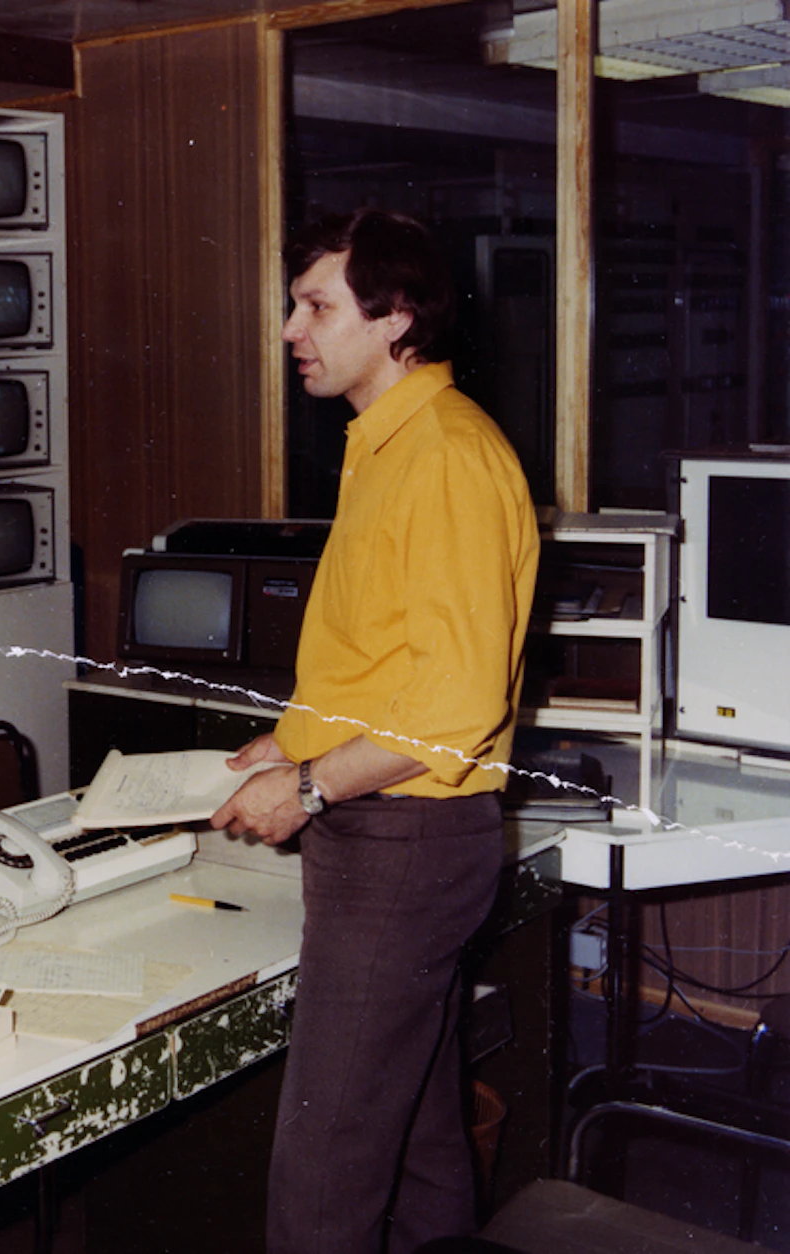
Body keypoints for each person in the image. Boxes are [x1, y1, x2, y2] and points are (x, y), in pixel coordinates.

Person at [210, 208, 539, 1254]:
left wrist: (306, 791)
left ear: (394, 318)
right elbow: (400, 664)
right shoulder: (392, 441)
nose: (288, 329)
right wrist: (291, 740)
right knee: (415, 1140)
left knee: (324, 1173)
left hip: (399, 845)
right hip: (401, 839)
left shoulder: (440, 455)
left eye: (313, 306)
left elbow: (450, 710)